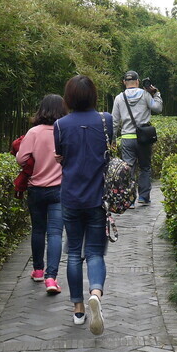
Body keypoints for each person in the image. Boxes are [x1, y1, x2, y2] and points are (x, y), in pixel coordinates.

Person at [53, 75, 112, 334]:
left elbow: (61, 156)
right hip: (98, 197)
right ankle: (96, 294)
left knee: (74, 252)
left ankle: (78, 310)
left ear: (69, 97)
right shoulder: (106, 120)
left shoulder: (60, 124)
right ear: (93, 95)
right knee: (96, 252)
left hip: (71, 197)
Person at [16, 94, 66, 294]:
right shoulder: (64, 132)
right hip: (59, 190)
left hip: (36, 188)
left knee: (38, 230)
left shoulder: (33, 132)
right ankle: (51, 278)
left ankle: (37, 270)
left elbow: (21, 159)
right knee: (55, 233)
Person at [111, 70, 163, 206]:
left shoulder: (119, 98)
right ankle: (144, 197)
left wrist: (112, 140)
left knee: (128, 168)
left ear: (124, 82)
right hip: (144, 139)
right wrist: (156, 94)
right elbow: (157, 108)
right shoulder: (145, 95)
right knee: (145, 167)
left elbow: (114, 122)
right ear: (138, 82)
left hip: (127, 137)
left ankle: (130, 199)